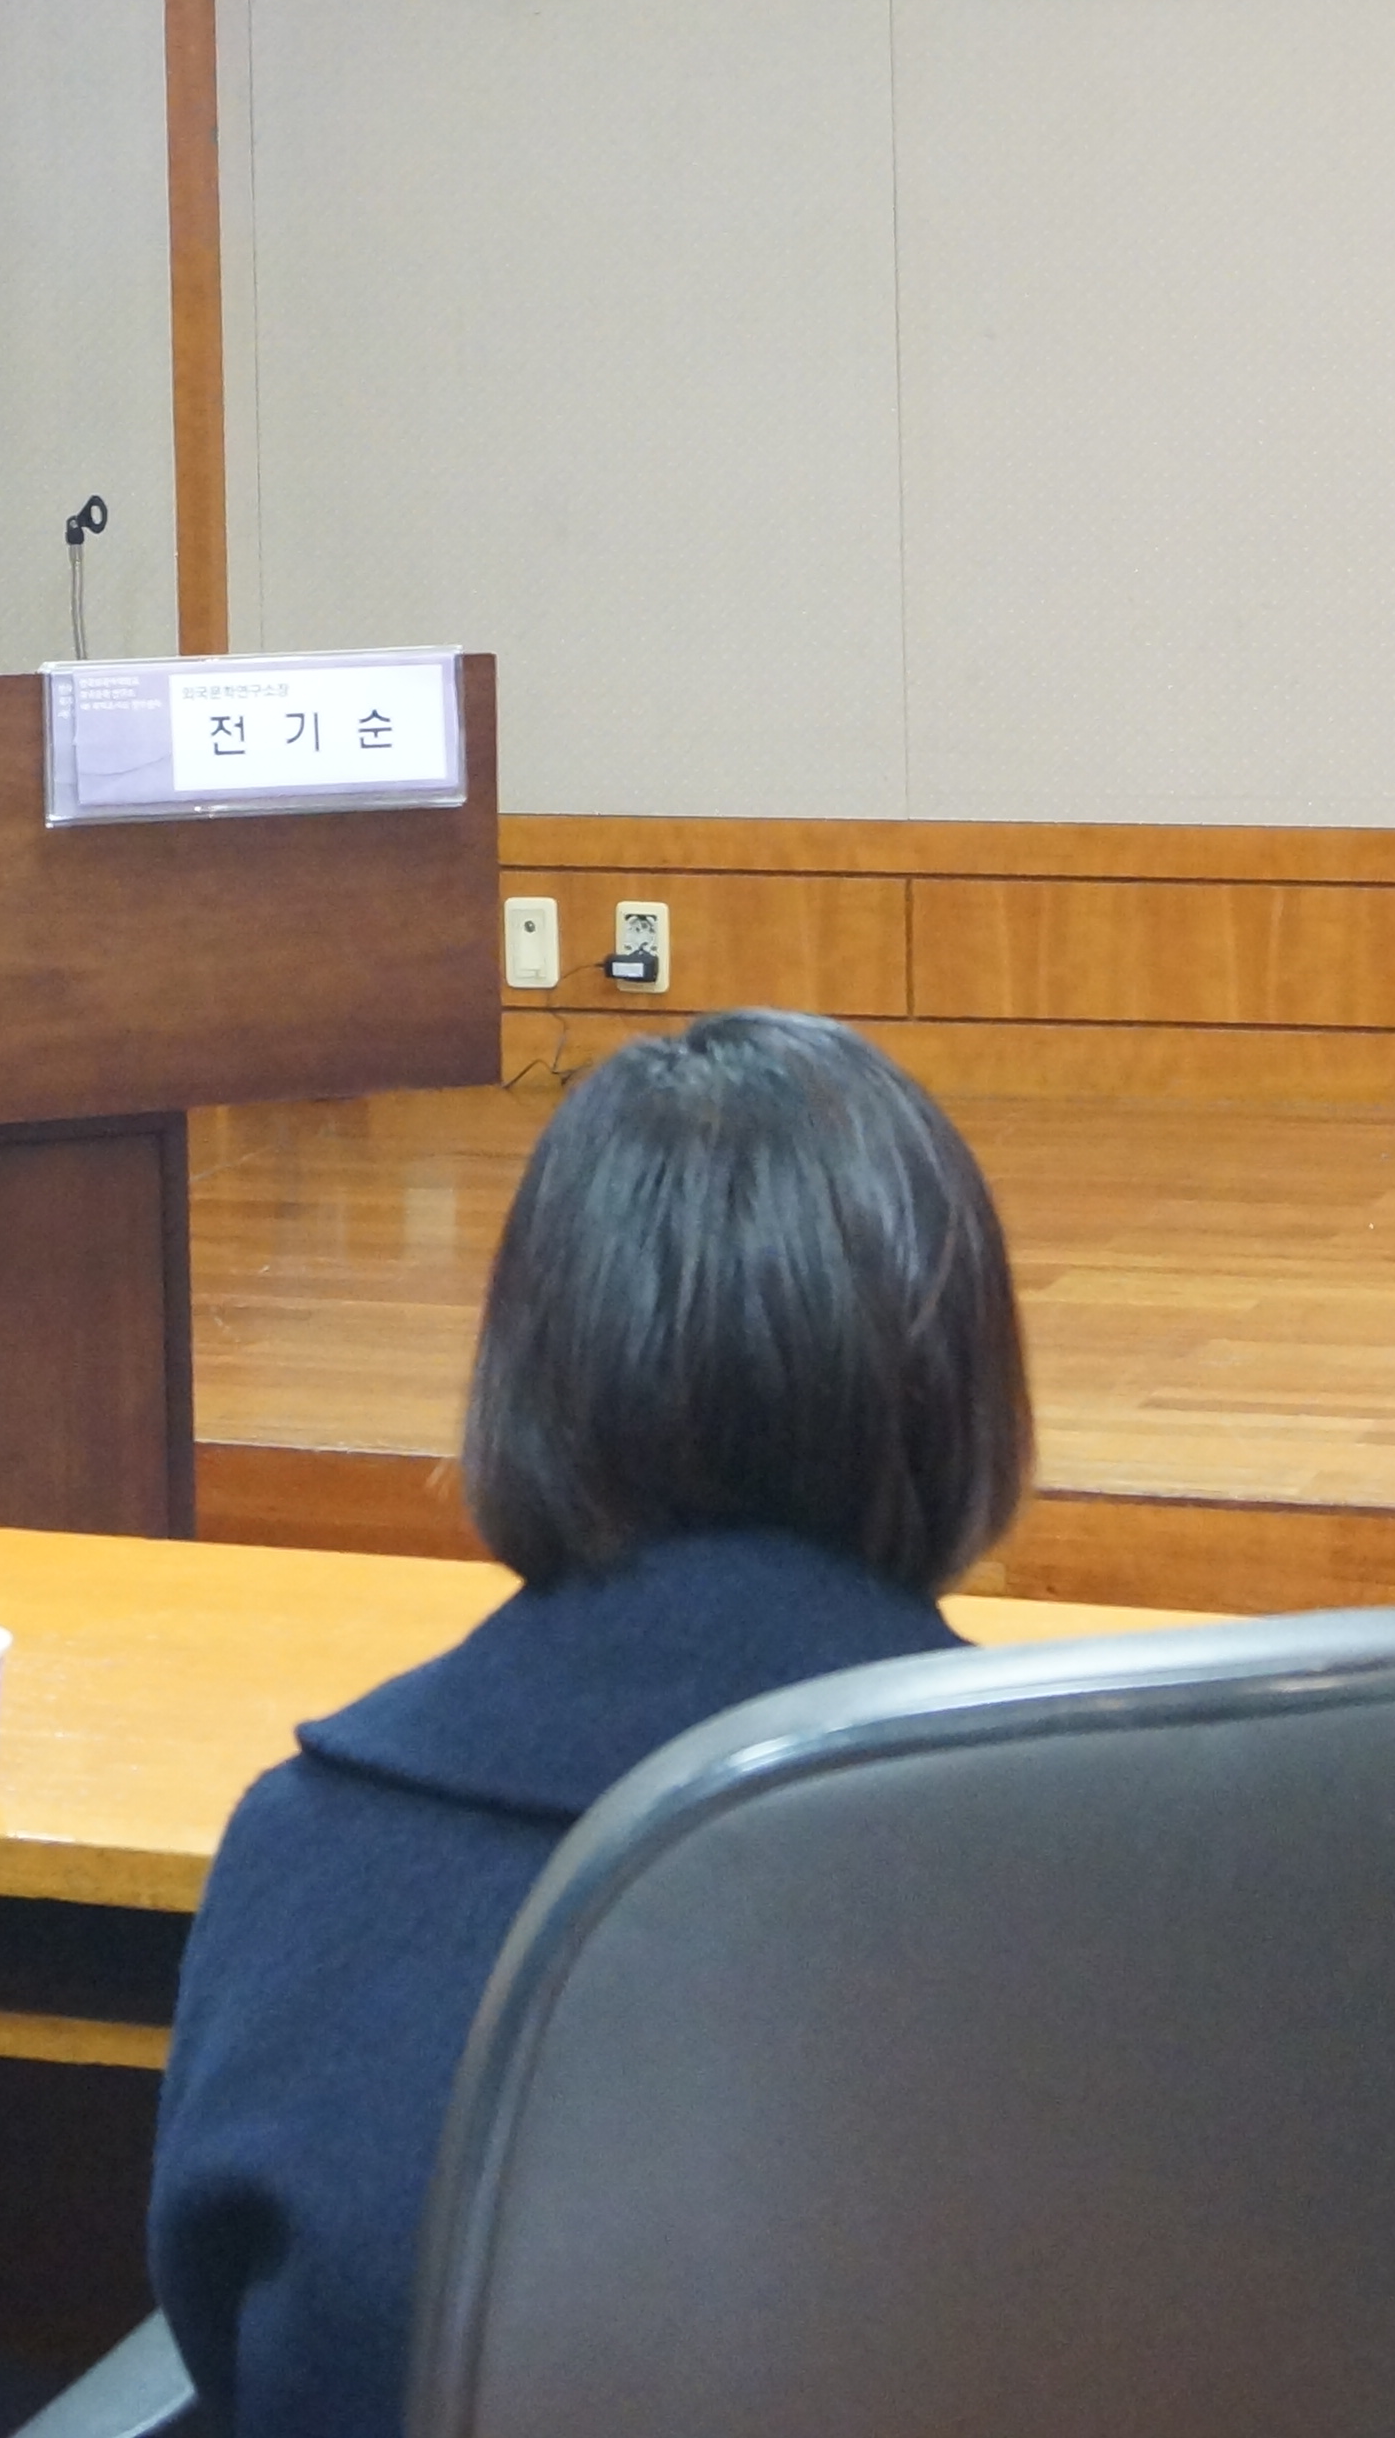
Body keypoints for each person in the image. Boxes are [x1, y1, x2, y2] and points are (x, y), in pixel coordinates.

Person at [144, 1012, 1035, 2438]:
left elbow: (229, 2335)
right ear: (961, 1389)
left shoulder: (309, 1848)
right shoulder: (1115, 1869)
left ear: (528, 1372)